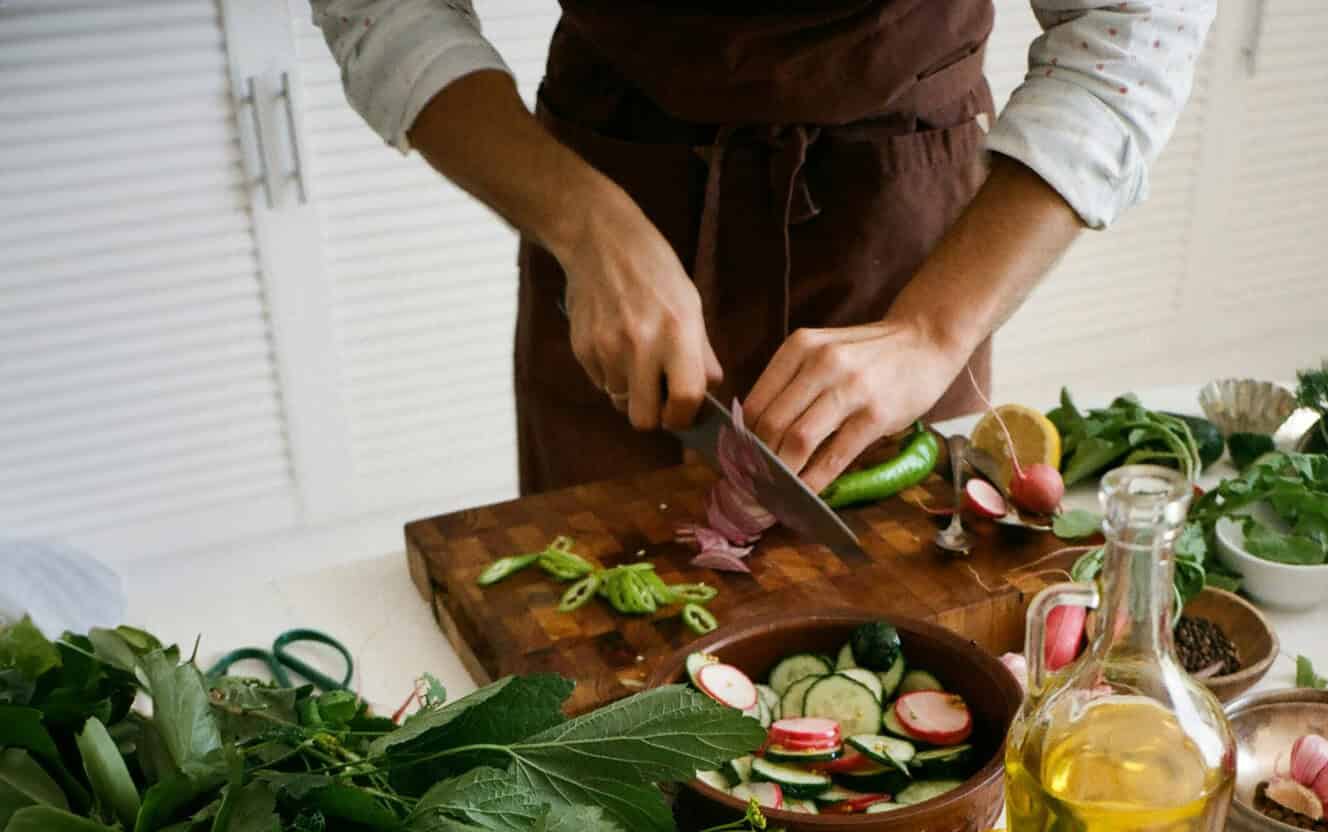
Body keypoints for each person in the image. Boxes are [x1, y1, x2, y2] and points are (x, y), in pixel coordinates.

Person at [311, 1, 1214, 494]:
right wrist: (587, 225)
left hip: (895, 213)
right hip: (611, 180)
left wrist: (933, 332)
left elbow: (1133, 30)